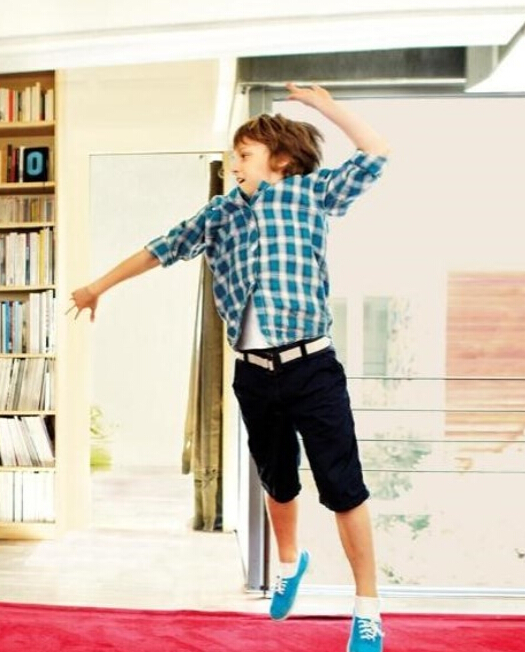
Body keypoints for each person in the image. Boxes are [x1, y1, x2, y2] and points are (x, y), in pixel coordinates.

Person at [68, 83, 389, 652]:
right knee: (277, 479)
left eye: (243, 155)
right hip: (254, 372)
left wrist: (326, 107)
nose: (234, 164)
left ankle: (367, 610)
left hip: (312, 366)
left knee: (343, 488)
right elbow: (160, 247)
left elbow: (376, 155)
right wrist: (98, 287)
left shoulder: (310, 194)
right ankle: (289, 565)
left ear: (280, 159)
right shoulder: (220, 213)